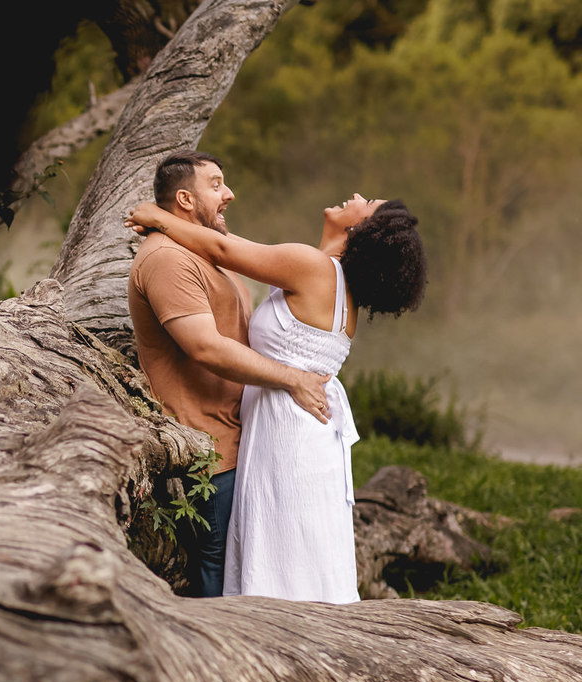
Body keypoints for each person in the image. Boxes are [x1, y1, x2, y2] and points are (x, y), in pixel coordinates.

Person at [125, 183, 428, 604]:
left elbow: (225, 251)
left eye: (367, 203)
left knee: (282, 554)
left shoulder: (312, 269)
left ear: (364, 231)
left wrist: (161, 219)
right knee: (297, 552)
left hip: (289, 435)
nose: (357, 195)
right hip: (304, 431)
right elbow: (310, 266)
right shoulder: (334, 282)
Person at [125, 151, 334, 598]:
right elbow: (205, 347)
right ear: (184, 198)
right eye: (217, 184)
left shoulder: (201, 251)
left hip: (240, 444)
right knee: (216, 583)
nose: (229, 193)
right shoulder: (167, 259)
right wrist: (292, 377)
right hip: (207, 455)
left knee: (252, 573)